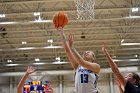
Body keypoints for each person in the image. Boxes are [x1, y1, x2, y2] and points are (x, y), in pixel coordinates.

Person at [57, 27, 100, 93]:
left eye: (88, 52)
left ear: (93, 58)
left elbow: (81, 61)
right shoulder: (78, 66)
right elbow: (67, 50)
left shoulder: (96, 67)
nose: (86, 52)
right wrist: (61, 33)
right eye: (84, 52)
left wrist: (72, 47)